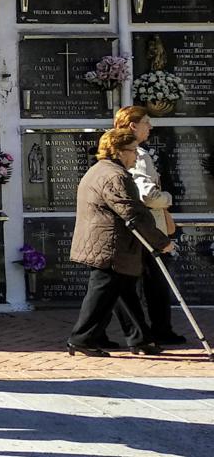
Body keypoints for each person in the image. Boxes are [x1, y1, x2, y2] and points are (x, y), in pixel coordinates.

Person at [67, 127, 175, 358]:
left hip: (108, 243)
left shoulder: (100, 170)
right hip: (110, 245)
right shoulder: (115, 176)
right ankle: (82, 339)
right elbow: (133, 213)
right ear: (118, 151)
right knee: (101, 292)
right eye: (133, 150)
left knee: (125, 292)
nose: (136, 156)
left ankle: (140, 339)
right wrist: (161, 242)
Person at [108, 107, 185, 346]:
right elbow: (148, 195)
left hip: (135, 226)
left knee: (130, 283)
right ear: (133, 126)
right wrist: (168, 198)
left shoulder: (123, 152)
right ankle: (158, 330)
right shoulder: (139, 155)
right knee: (154, 282)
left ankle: (143, 332)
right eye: (146, 123)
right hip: (147, 227)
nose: (150, 127)